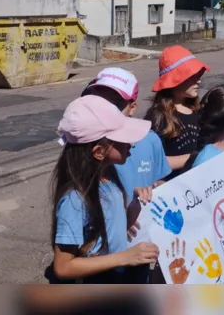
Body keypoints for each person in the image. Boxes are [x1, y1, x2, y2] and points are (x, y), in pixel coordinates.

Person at [50, 95, 159, 284]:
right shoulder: (74, 199)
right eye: (123, 140)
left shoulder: (110, 176)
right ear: (99, 152)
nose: (131, 145)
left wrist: (133, 208)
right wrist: (127, 257)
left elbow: (108, 228)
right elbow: (63, 267)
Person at [81, 67, 171, 284]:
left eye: (116, 104)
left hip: (140, 246)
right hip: (100, 253)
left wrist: (152, 192)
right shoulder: (88, 144)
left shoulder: (150, 140)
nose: (108, 109)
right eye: (101, 101)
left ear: (132, 108)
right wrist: (119, 217)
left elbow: (160, 180)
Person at [145, 45, 209, 180]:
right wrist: (194, 158)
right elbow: (152, 160)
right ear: (174, 81)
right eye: (192, 76)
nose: (199, 81)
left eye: (199, 75)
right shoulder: (158, 116)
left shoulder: (199, 110)